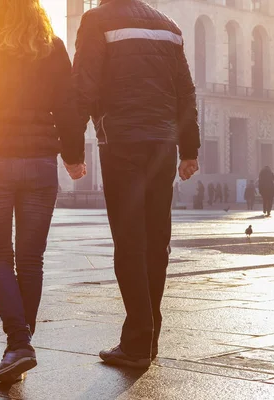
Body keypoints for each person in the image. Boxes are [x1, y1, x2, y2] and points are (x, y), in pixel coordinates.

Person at [0, 1, 86, 382]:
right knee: (31, 261)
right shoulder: (51, 44)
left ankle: (19, 343)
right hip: (40, 163)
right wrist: (73, 156)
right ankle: (20, 345)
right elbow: (68, 107)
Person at [73, 0, 200, 368]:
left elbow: (84, 84)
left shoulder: (97, 20)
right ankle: (149, 337)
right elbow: (185, 91)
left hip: (122, 142)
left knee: (130, 241)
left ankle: (137, 343)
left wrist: (71, 146)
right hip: (163, 144)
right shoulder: (168, 26)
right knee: (156, 241)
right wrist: (188, 149)